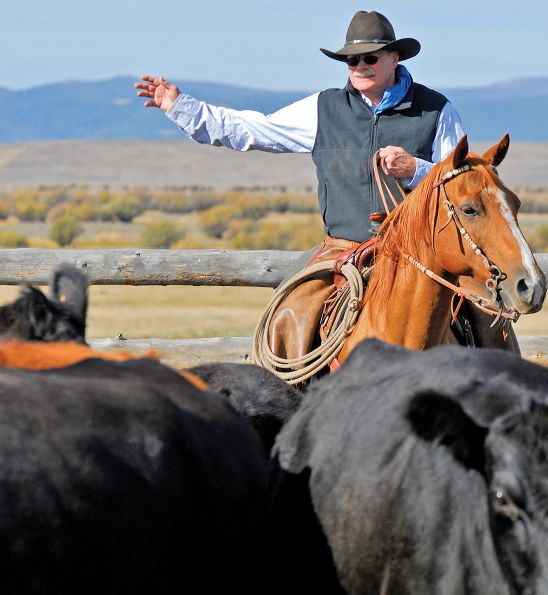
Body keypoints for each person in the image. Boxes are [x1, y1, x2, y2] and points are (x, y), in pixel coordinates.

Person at [135, 10, 517, 356]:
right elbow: (250, 129)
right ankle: (287, 393)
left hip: (418, 253)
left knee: (487, 319)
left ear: (394, 58)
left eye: (371, 58)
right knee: (291, 308)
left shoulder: (435, 109)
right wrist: (180, 106)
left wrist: (414, 168)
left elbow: (460, 182)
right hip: (343, 247)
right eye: (353, 59)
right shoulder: (324, 108)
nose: (360, 65)